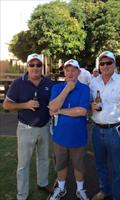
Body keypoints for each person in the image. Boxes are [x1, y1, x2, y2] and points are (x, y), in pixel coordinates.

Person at [3, 53, 53, 200]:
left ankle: (42, 184)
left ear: (42, 67)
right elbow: (6, 104)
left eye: (38, 65)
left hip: (45, 126)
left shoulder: (48, 83)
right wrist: (25, 105)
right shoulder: (18, 83)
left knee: (44, 158)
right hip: (26, 128)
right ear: (27, 66)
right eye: (32, 65)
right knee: (23, 164)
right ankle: (22, 195)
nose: (35, 68)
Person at [90, 51, 120, 200]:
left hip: (115, 131)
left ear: (114, 64)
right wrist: (91, 106)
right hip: (97, 129)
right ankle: (105, 190)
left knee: (117, 168)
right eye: (102, 63)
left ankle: (117, 196)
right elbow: (89, 103)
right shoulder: (93, 82)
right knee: (100, 165)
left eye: (108, 62)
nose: (105, 66)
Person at [47, 59, 90, 200]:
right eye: (67, 70)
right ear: (64, 72)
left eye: (73, 70)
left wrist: (60, 111)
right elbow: (51, 108)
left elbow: (82, 111)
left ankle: (80, 189)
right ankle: (60, 188)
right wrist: (67, 89)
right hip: (60, 136)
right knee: (61, 164)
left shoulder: (84, 88)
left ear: (78, 72)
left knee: (79, 165)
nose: (70, 73)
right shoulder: (57, 88)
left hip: (78, 136)